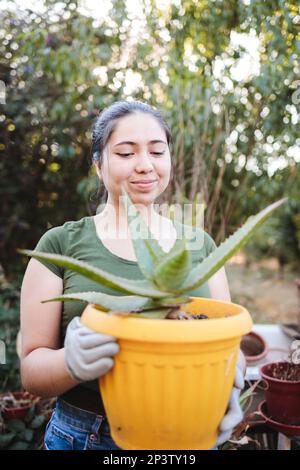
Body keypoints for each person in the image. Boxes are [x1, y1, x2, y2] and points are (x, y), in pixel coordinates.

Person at [20, 100, 246, 450]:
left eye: (157, 151)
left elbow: (224, 338)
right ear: (98, 164)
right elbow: (31, 370)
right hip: (87, 434)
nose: (145, 166)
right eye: (125, 153)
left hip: (190, 432)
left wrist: (230, 381)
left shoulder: (199, 245)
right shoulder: (60, 245)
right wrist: (70, 362)